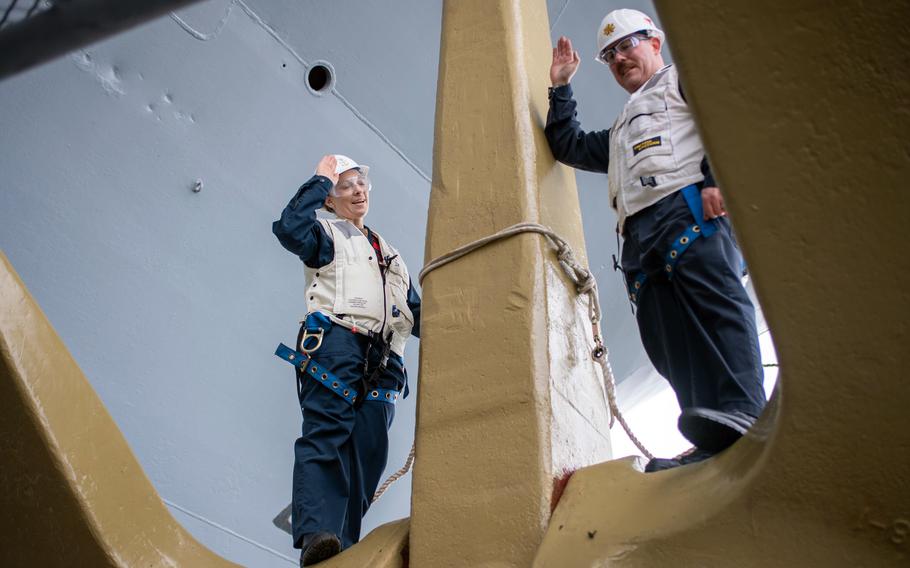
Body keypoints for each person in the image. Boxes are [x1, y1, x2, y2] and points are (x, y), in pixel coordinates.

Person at [545, 9, 766, 472]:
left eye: (628, 45)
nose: (621, 58)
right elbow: (569, 146)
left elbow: (723, 119)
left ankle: (744, 411)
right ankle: (710, 431)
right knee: (669, 341)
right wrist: (562, 87)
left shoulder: (684, 84)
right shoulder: (624, 126)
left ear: (655, 42)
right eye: (611, 55)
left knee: (717, 310)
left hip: (687, 212)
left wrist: (714, 180)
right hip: (640, 241)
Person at [272, 154, 421, 565]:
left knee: (369, 454)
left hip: (385, 363)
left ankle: (343, 546)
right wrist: (321, 179)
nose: (357, 190)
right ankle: (317, 536)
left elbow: (417, 314)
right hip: (337, 342)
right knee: (327, 433)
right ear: (330, 201)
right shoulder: (322, 234)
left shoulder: (391, 256)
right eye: (345, 186)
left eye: (360, 184)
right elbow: (289, 230)